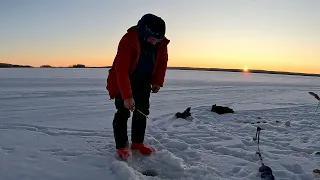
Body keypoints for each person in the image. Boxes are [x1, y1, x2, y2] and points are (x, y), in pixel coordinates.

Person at [106, 13, 170, 159]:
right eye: (153, 39)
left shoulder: (161, 43)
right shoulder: (129, 40)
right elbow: (120, 70)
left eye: (158, 40)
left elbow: (162, 63)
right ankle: (122, 146)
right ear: (145, 32)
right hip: (123, 80)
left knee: (142, 112)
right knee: (123, 112)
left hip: (144, 82)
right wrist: (127, 96)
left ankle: (137, 143)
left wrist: (157, 81)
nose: (155, 43)